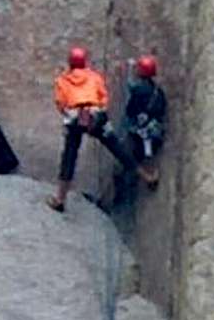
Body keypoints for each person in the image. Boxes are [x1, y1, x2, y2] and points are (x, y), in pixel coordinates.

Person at [48, 46, 156, 213]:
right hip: (95, 116)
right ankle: (147, 176)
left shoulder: (62, 80)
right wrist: (95, 113)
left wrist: (73, 115)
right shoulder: (94, 76)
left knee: (69, 156)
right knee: (116, 147)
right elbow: (104, 98)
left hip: (74, 118)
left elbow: (61, 104)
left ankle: (60, 199)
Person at [122, 54, 167, 183]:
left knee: (127, 133)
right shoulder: (158, 91)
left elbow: (130, 110)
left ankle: (140, 171)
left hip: (141, 128)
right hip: (154, 126)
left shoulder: (138, 91)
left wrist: (129, 69)